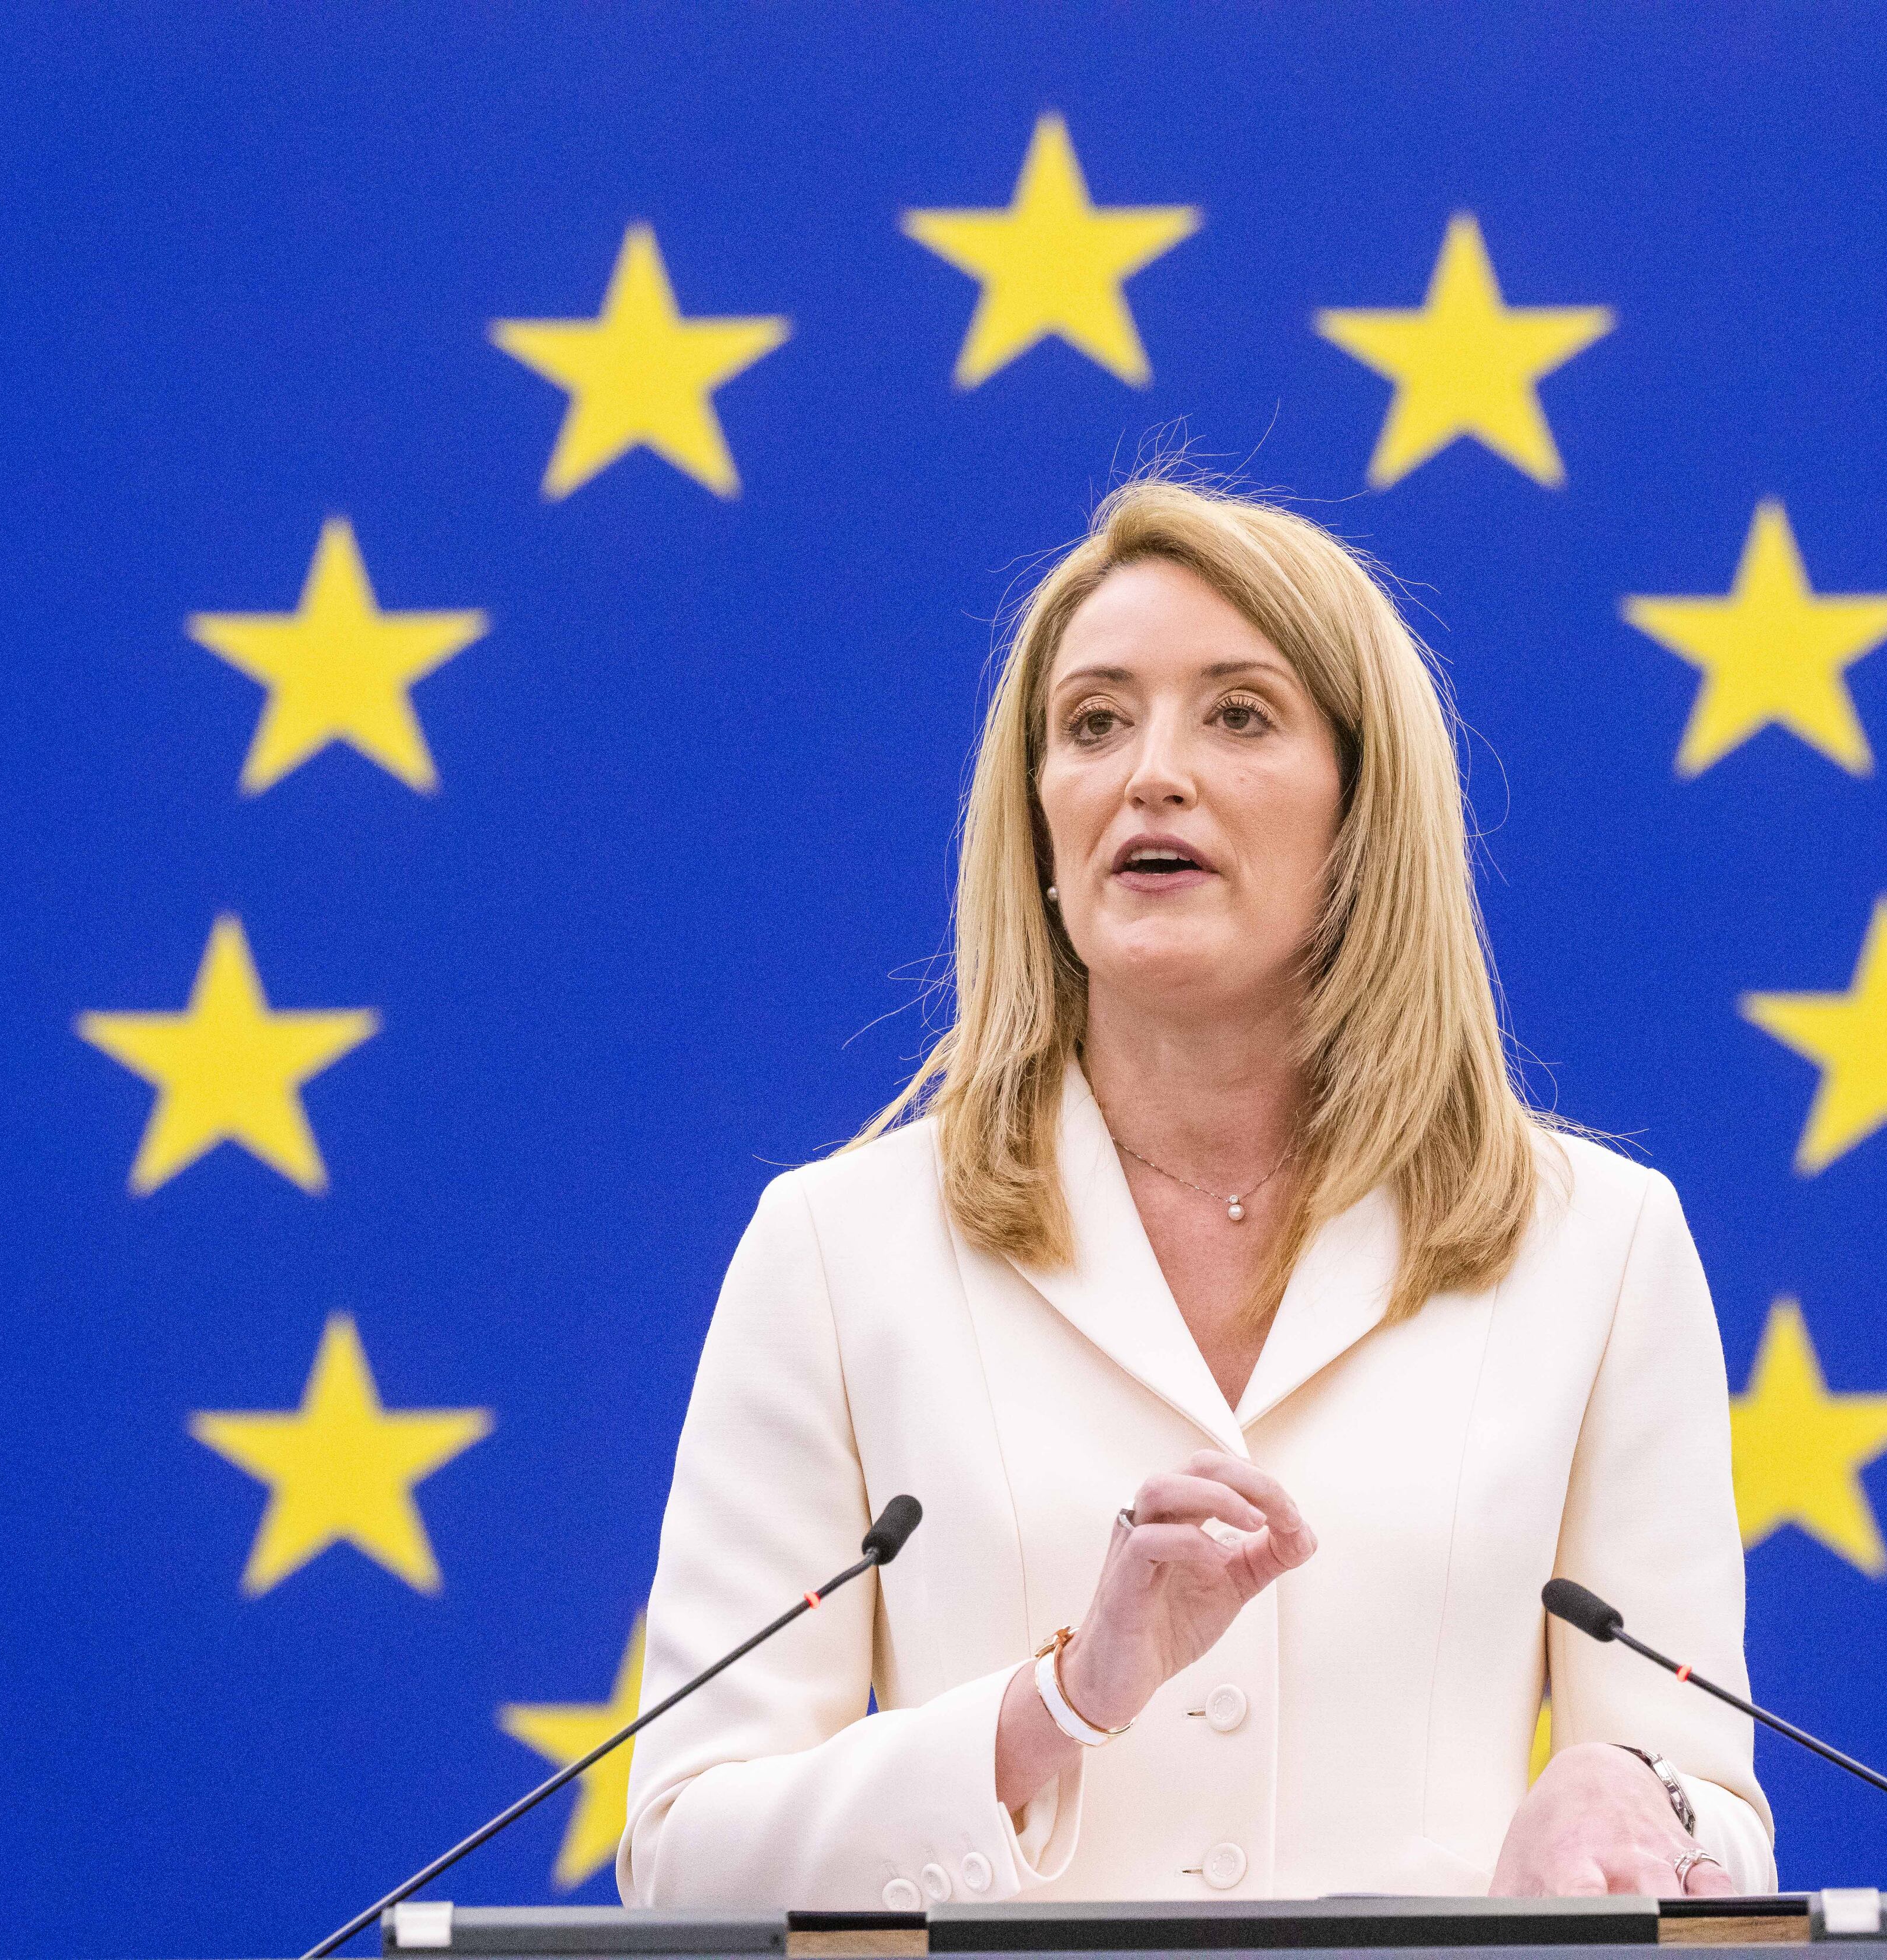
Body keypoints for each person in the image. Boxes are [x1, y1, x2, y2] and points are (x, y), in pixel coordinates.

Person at [620, 475, 1773, 1908]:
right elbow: (682, 1859)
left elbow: (1709, 1822)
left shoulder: (1594, 1249)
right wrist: (1057, 1705)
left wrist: (1633, 1802)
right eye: (1093, 723)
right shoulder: (838, 1251)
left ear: (1365, 809)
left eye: (1237, 715)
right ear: (1037, 822)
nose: (1148, 774)